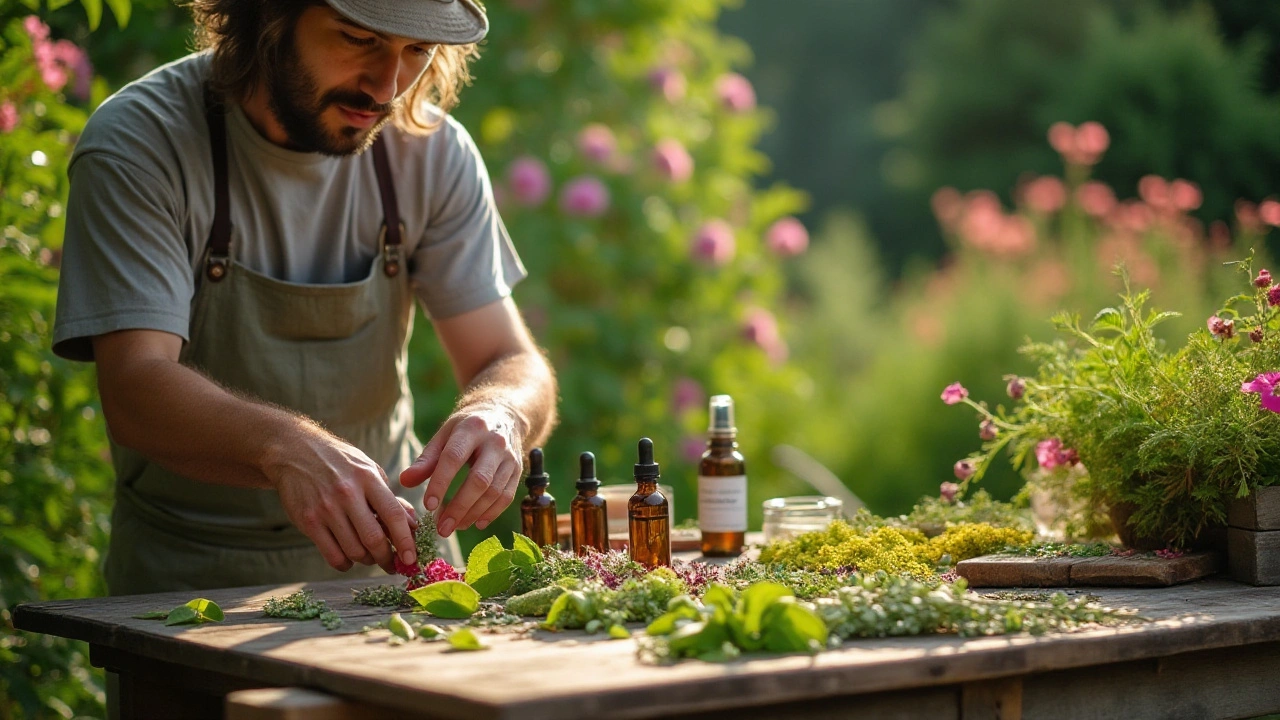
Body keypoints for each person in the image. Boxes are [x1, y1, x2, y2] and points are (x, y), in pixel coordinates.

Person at [51, 0, 557, 596]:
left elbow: (508, 357)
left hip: (399, 574)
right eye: (358, 37)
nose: (387, 86)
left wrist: (502, 410)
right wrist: (286, 446)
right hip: (188, 587)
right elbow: (135, 388)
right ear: (267, 16)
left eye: (416, 50)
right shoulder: (142, 143)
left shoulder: (430, 151)